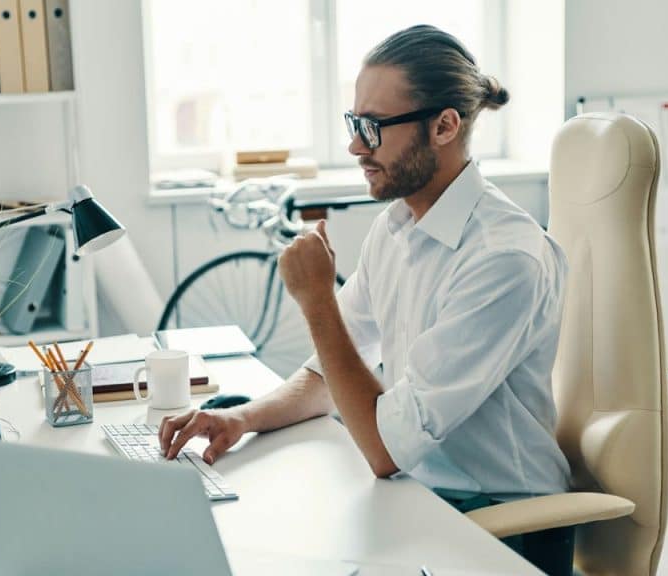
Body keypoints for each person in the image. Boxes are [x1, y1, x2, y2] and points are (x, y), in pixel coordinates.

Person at [159, 25, 573, 572]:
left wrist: (317, 302)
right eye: (354, 124)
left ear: (444, 126)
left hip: (503, 529)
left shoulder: (503, 258)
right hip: (422, 499)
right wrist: (242, 419)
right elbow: (326, 376)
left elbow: (384, 450)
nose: (356, 146)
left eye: (373, 127)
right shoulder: (397, 227)